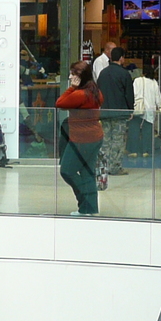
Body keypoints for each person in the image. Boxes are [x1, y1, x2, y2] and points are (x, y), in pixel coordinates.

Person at [56, 59, 103, 215]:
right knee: (87, 172)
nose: (70, 77)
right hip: (95, 137)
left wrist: (72, 88)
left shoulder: (80, 94)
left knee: (67, 171)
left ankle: (85, 202)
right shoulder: (95, 91)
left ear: (80, 77)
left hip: (81, 140)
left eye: (73, 75)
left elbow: (60, 103)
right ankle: (89, 209)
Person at [94, 47, 135, 178]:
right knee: (118, 140)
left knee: (105, 140)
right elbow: (129, 94)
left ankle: (104, 166)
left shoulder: (103, 73)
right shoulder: (124, 74)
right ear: (121, 58)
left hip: (104, 112)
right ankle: (115, 166)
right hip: (120, 112)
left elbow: (97, 92)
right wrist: (130, 109)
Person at [131, 66, 161, 160]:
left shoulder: (137, 80)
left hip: (138, 108)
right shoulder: (154, 83)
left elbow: (133, 93)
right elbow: (158, 98)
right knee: (147, 131)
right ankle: (146, 150)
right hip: (149, 110)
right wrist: (160, 106)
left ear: (143, 73)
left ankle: (133, 151)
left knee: (134, 130)